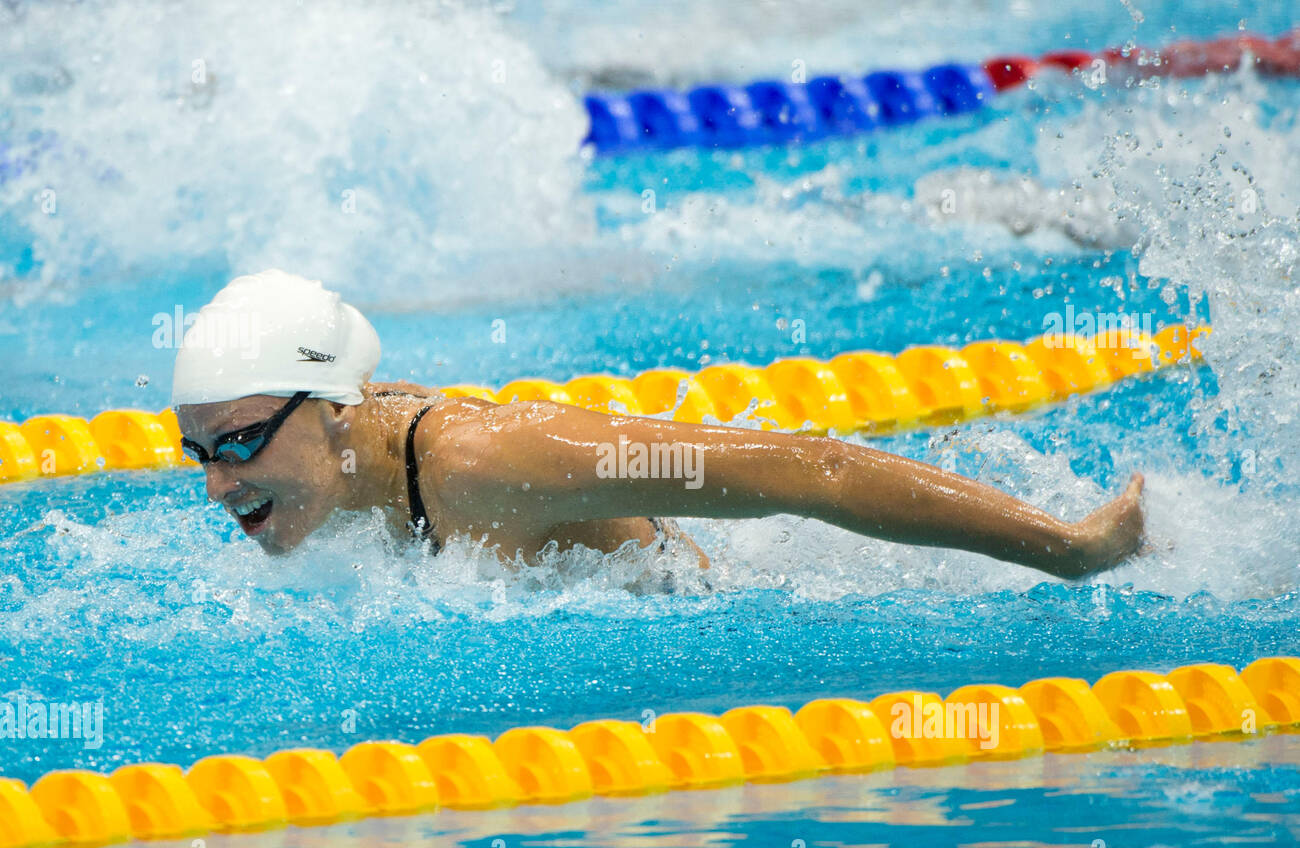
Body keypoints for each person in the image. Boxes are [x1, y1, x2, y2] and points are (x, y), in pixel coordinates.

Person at [172, 270, 1145, 579]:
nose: (219, 484)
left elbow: (809, 472)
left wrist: (1067, 547)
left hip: (722, 617)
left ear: (334, 411)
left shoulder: (488, 460)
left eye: (242, 442)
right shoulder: (338, 462)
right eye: (201, 455)